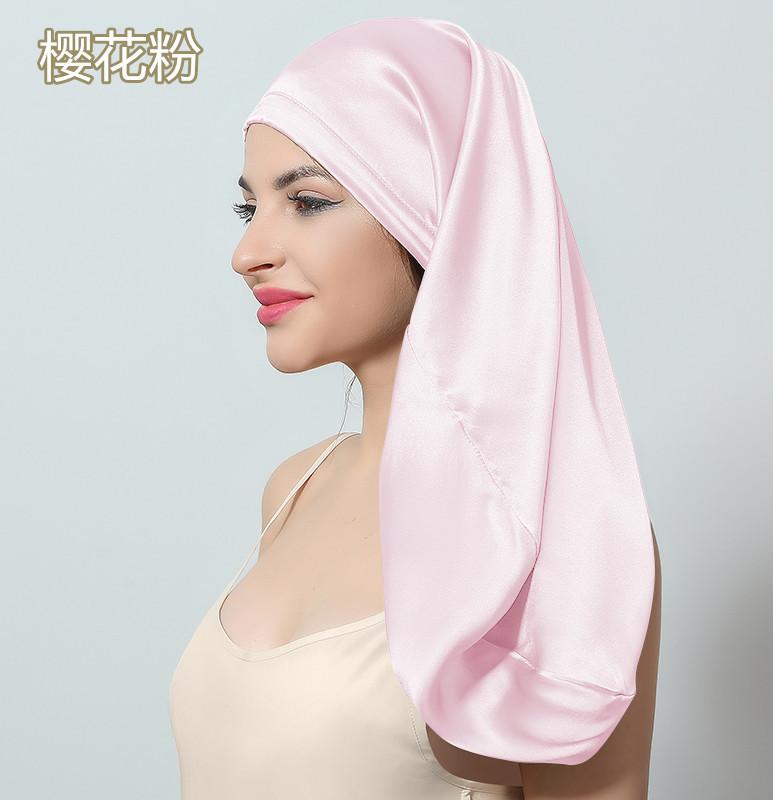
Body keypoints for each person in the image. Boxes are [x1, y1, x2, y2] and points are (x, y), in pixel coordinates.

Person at [169, 17, 661, 799]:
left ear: (437, 213)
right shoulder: (293, 491)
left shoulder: (564, 535)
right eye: (248, 209)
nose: (248, 253)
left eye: (307, 201)